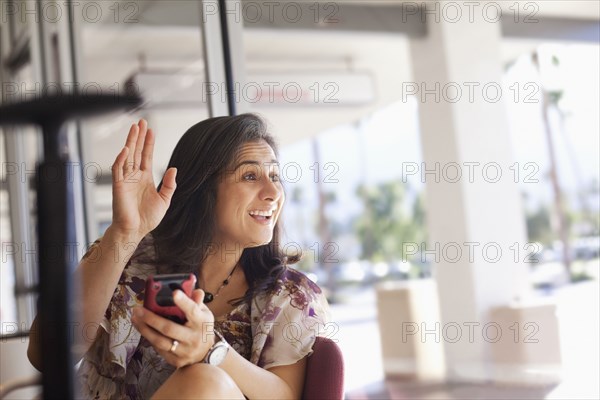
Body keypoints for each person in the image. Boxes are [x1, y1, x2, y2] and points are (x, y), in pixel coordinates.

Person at [27, 114, 331, 399]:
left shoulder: (290, 294)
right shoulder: (126, 257)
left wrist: (210, 350)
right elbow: (46, 355)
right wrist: (124, 232)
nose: (273, 192)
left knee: (205, 380)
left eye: (275, 176)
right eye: (250, 176)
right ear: (203, 188)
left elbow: (286, 395)